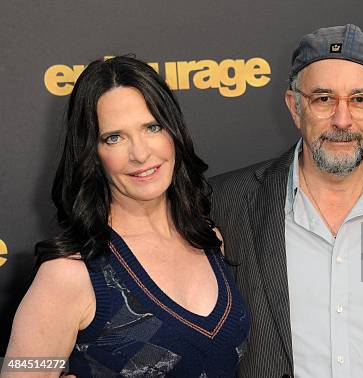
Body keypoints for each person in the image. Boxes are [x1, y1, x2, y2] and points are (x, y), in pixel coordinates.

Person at [210, 24, 363, 378]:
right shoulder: (225, 202)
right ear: (295, 107)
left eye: (360, 100)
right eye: (323, 99)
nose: (342, 119)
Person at [4, 56, 249, 377]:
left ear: (173, 132)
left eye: (152, 127)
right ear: (92, 153)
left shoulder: (209, 239)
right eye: (114, 137)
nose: (140, 153)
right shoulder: (70, 274)